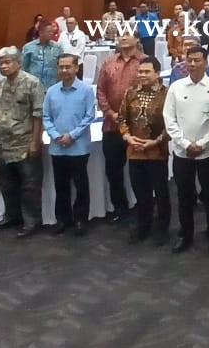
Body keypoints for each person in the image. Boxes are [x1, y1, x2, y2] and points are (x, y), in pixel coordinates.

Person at [164, 46, 209, 253]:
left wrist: (203, 143)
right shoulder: (176, 87)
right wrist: (186, 144)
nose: (193, 64)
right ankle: (185, 234)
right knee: (184, 195)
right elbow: (169, 120)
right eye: (190, 60)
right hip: (182, 152)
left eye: (198, 60)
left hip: (208, 151)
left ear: (206, 63)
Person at [0, 46, 45, 237]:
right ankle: (12, 216)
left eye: (7, 62)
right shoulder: (1, 84)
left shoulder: (32, 83)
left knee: (29, 184)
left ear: (18, 63)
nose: (3, 66)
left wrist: (35, 142)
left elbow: (38, 114)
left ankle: (31, 221)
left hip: (24, 141)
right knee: (7, 183)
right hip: (3, 142)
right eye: (0, 63)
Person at [43, 53, 97, 236]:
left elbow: (89, 116)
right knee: (61, 186)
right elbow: (46, 117)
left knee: (81, 185)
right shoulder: (51, 92)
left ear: (76, 68)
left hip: (79, 147)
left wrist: (72, 136)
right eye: (61, 67)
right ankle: (63, 219)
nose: (64, 70)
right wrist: (56, 136)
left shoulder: (86, 91)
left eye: (68, 67)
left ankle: (80, 219)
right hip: (57, 147)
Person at [121, 57, 170, 245]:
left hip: (157, 151)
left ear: (157, 73)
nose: (142, 75)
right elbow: (122, 119)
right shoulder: (130, 93)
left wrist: (154, 142)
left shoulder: (166, 94)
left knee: (161, 192)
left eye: (146, 71)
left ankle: (162, 228)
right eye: (140, 71)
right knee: (141, 192)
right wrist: (128, 137)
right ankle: (143, 226)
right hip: (134, 151)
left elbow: (171, 124)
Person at [97, 33, 142, 223]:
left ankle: (143, 206)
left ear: (136, 40)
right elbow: (100, 91)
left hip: (137, 127)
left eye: (127, 34)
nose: (123, 38)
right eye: (120, 35)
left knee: (139, 170)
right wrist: (110, 113)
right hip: (111, 124)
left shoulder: (145, 62)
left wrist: (129, 117)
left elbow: (149, 90)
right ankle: (120, 208)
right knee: (113, 170)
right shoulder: (108, 62)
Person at [21, 20, 61, 92]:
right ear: (41, 32)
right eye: (49, 32)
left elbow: (60, 67)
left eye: (52, 32)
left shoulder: (58, 47)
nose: (51, 34)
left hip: (51, 87)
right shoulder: (28, 47)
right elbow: (24, 68)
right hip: (32, 87)